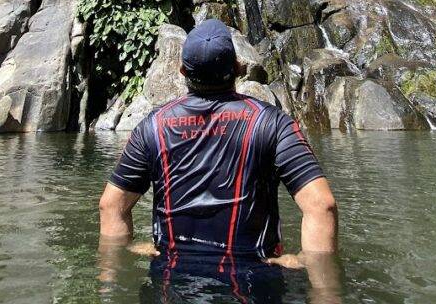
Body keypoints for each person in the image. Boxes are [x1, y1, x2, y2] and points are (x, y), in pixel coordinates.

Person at [98, 19, 340, 300]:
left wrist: (122, 251)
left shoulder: (152, 127)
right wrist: (309, 264)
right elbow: (322, 205)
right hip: (254, 280)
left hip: (171, 281)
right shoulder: (272, 123)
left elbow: (110, 206)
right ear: (238, 67)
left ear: (182, 71)